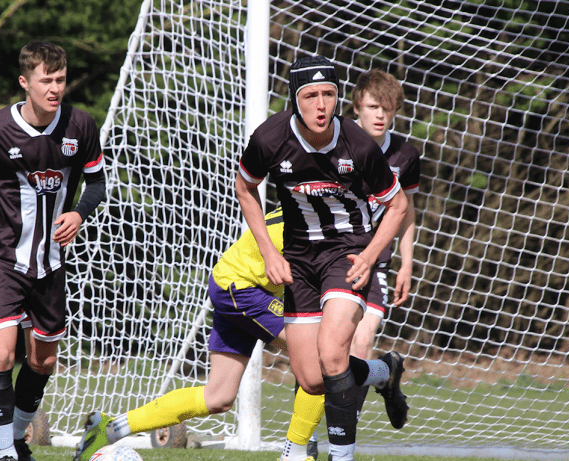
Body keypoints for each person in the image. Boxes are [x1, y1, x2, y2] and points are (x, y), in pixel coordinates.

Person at [235, 55, 409, 461]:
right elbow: (246, 188)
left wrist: (368, 256)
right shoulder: (269, 139)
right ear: (295, 99)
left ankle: (341, 456)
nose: (320, 105)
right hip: (298, 259)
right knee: (313, 379)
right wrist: (268, 251)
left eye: (328, 94)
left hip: (345, 255)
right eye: (310, 95)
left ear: (338, 98)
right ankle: (384, 371)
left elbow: (398, 206)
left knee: (333, 357)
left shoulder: (358, 145)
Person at [0, 41, 106, 461]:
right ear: (24, 82)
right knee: (1, 353)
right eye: (46, 80)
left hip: (49, 263)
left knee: (43, 362)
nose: (54, 88)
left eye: (61, 80)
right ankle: (5, 455)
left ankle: (16, 439)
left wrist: (80, 213)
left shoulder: (80, 126)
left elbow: (98, 183)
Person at [280, 68, 420, 461]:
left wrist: (407, 264)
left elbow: (405, 212)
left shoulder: (404, 155)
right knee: (317, 355)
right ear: (356, 105)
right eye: (373, 106)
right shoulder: (333, 144)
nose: (380, 115)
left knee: (353, 346)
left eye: (388, 109)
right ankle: (383, 374)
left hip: (372, 263)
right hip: (323, 258)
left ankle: (339, 443)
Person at [73, 208, 289, 461]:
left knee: (218, 398)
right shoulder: (320, 215)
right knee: (315, 356)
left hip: (233, 282)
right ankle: (298, 452)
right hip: (241, 288)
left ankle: (110, 428)